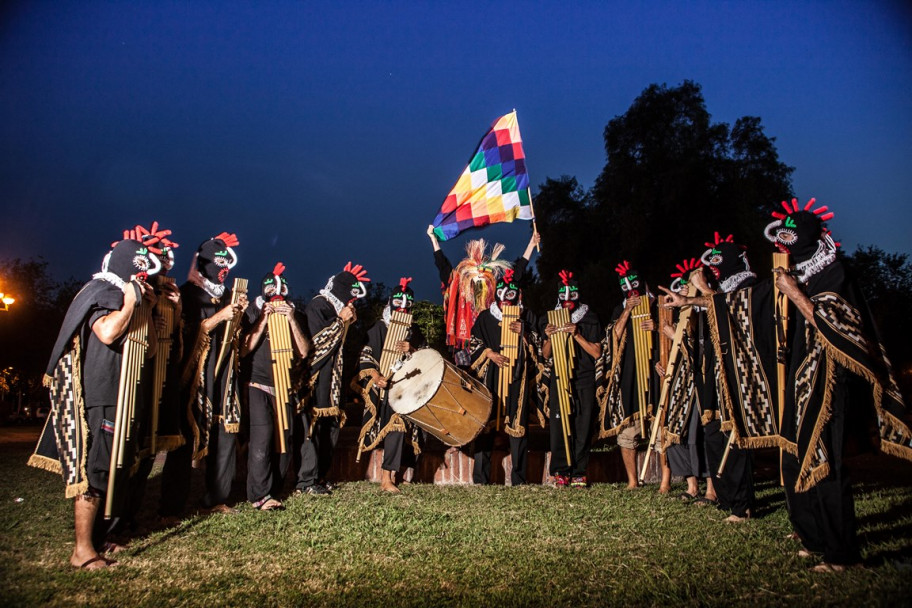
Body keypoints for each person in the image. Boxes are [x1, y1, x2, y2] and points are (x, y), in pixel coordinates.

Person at [663, 199, 912, 568]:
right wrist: (688, 298)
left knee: (826, 463)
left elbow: (839, 327)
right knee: (796, 460)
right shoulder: (798, 276)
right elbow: (739, 303)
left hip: (828, 384)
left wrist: (795, 293)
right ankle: (813, 538)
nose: (785, 254)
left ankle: (842, 553)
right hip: (798, 383)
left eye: (790, 246)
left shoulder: (836, 274)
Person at [29, 239, 161, 569]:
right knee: (97, 471)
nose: (144, 278)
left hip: (128, 392)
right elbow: (107, 332)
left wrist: (150, 311)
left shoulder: (135, 297)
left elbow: (152, 351)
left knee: (122, 467)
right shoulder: (101, 291)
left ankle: (106, 536)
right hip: (103, 393)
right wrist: (130, 303)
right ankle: (82, 550)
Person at [159, 232, 247, 518]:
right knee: (184, 443)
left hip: (223, 378)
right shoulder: (184, 292)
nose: (222, 270)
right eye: (217, 263)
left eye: (226, 264)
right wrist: (215, 320)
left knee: (224, 438)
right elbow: (180, 335)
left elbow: (237, 341)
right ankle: (171, 507)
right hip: (194, 380)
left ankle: (215, 498)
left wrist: (238, 317)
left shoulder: (228, 297)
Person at [240, 263, 311, 510]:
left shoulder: (295, 313)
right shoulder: (251, 311)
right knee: (263, 437)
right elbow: (243, 349)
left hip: (284, 387)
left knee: (285, 438)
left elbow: (303, 350)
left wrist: (290, 318)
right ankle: (259, 495)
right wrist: (263, 318)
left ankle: (275, 489)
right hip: (258, 383)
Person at [295, 262, 369, 495]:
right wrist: (339, 320)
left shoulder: (340, 311)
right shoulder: (318, 305)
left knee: (332, 429)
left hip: (334, 383)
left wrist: (345, 321)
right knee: (313, 431)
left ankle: (320, 476)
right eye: (350, 297)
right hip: (318, 381)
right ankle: (305, 481)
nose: (351, 304)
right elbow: (317, 345)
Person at [468, 268, 542, 485]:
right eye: (501, 295)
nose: (504, 301)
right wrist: (489, 353)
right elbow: (473, 342)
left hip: (516, 378)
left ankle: (519, 479)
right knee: (486, 426)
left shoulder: (526, 315)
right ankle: (481, 478)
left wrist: (525, 333)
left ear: (517, 296)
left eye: (510, 295)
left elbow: (541, 344)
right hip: (491, 378)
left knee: (518, 429)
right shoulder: (484, 317)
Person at [427, 226, 539, 367]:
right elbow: (443, 267)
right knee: (467, 379)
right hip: (465, 343)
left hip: (490, 343)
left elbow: (516, 275)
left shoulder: (494, 296)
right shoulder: (460, 289)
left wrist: (531, 245)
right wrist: (434, 241)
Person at [353, 277, 424, 493]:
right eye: (398, 303)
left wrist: (411, 350)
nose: (402, 309)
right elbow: (366, 355)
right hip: (382, 389)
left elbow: (426, 358)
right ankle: (387, 478)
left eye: (407, 305)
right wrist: (376, 376)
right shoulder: (378, 329)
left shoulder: (415, 332)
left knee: (398, 427)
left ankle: (389, 476)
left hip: (405, 390)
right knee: (394, 427)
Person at [657, 258, 716, 504]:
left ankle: (711, 489)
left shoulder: (707, 319)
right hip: (681, 384)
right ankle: (691, 486)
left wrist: (677, 339)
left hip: (703, 382)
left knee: (702, 434)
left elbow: (701, 356)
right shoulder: (684, 318)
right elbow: (678, 356)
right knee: (677, 433)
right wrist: (663, 365)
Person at [597, 261, 658, 489]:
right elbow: (612, 337)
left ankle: (666, 482)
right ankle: (633, 481)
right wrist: (628, 310)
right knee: (627, 432)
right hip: (628, 375)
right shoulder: (620, 309)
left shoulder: (658, 305)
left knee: (660, 429)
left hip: (654, 375)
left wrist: (657, 326)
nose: (631, 289)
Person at [541, 270, 602, 488]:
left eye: (571, 296)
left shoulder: (590, 317)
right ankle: (560, 470)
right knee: (559, 425)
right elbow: (546, 354)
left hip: (584, 378)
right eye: (563, 297)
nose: (567, 301)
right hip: (560, 378)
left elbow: (596, 353)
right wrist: (548, 337)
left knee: (582, 425)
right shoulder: (550, 319)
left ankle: (579, 471)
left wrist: (577, 335)